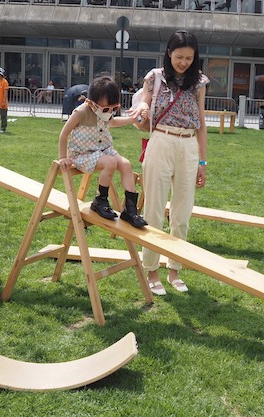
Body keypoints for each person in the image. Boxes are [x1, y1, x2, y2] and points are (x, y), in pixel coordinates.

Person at [129, 30, 208, 295]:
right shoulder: (155, 77)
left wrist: (203, 161)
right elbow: (145, 106)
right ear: (169, 54)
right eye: (179, 56)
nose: (183, 62)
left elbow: (202, 124)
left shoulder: (199, 82)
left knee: (182, 212)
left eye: (189, 57)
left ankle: (175, 269)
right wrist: (141, 110)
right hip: (160, 140)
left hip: (188, 145)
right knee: (153, 209)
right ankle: (151, 271)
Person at [58, 75, 147, 228]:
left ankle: (130, 210)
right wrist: (63, 157)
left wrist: (132, 120)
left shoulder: (105, 112)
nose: (110, 112)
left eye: (114, 108)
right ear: (90, 103)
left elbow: (112, 122)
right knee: (110, 162)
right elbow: (64, 134)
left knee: (125, 164)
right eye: (106, 109)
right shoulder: (80, 113)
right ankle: (100, 201)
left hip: (103, 150)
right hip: (82, 154)